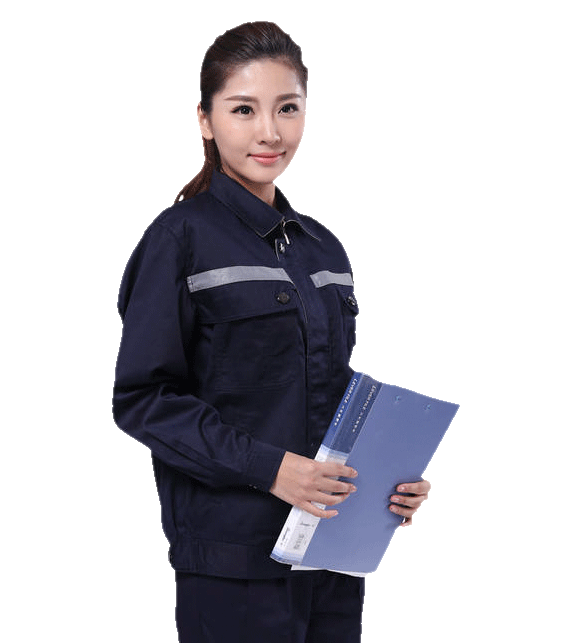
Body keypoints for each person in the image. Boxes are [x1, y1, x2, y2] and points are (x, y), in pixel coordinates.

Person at [112, 20, 431, 643]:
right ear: (205, 120)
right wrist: (273, 469)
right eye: (243, 109)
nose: (270, 132)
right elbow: (144, 400)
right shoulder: (178, 240)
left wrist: (387, 476)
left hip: (333, 552)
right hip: (233, 565)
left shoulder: (321, 247)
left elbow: (329, 389)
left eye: (288, 108)